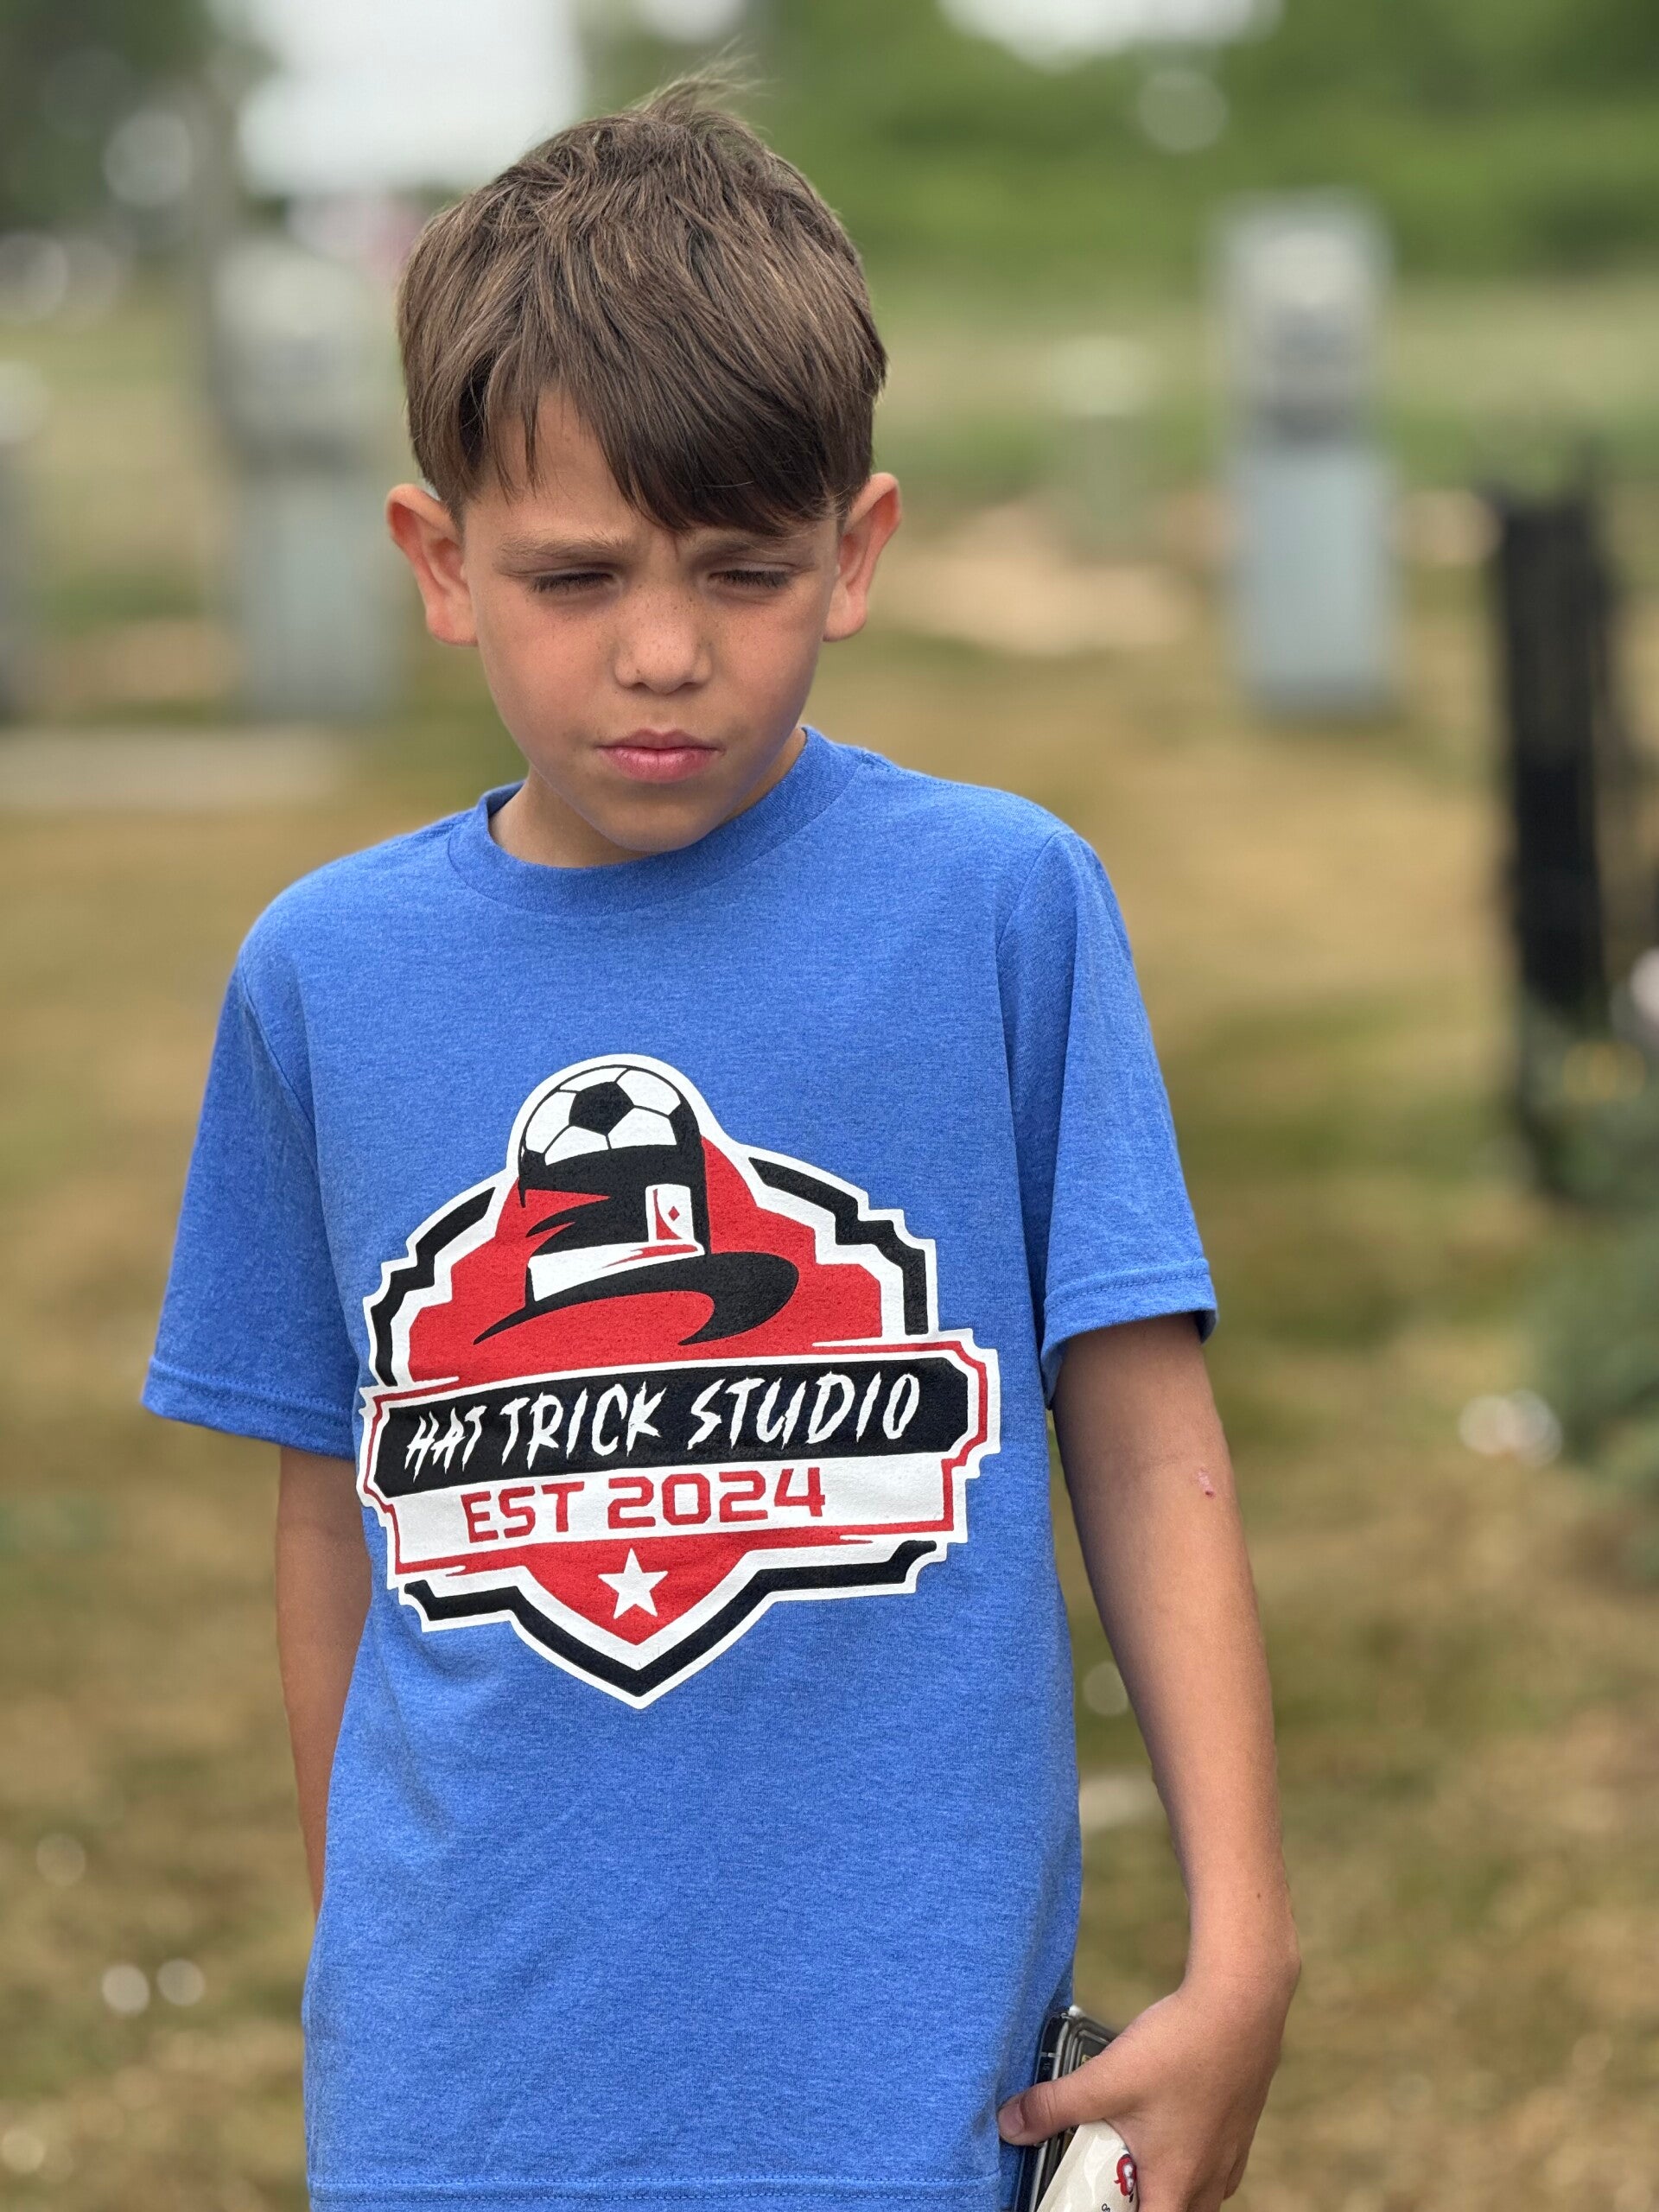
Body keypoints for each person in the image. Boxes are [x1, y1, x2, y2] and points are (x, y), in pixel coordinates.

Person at [144, 81, 1297, 2212]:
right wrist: (383, 1971)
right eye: (573, 576)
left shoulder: (1001, 909)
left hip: (904, 2098)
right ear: (438, 562)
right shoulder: (321, 976)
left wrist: (1244, 1949)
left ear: (855, 550)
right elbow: (335, 1513)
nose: (663, 653)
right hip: (467, 2109)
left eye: (744, 572)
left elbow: (1147, 1443)